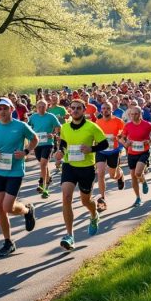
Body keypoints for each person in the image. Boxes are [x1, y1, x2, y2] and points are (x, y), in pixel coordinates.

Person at [0, 97, 38, 257]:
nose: (2, 111)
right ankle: (8, 242)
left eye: (5, 108)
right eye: (0, 109)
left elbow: (35, 139)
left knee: (7, 207)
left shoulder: (20, 126)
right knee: (0, 207)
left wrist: (26, 152)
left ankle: (27, 211)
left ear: (11, 109)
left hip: (15, 172)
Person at [53, 99, 109, 250]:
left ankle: (94, 215)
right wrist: (60, 152)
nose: (75, 110)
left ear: (84, 110)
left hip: (86, 168)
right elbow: (63, 144)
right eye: (73, 108)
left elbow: (105, 144)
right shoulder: (65, 127)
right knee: (66, 197)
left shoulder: (92, 127)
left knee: (86, 201)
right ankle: (70, 236)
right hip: (69, 166)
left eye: (79, 108)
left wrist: (91, 149)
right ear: (70, 110)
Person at [120, 106, 151, 207]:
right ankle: (138, 198)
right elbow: (122, 139)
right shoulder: (128, 126)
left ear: (140, 114)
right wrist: (126, 143)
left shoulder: (147, 125)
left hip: (143, 152)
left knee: (138, 173)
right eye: (131, 114)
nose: (133, 116)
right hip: (131, 153)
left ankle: (144, 181)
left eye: (135, 114)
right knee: (133, 176)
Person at [94, 102, 125, 211]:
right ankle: (102, 199)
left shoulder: (118, 121)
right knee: (100, 172)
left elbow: (124, 134)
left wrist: (118, 137)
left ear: (112, 110)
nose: (106, 110)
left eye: (108, 108)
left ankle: (120, 175)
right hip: (101, 151)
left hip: (113, 151)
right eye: (104, 108)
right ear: (101, 110)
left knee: (113, 176)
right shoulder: (98, 122)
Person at [28, 100, 61, 199]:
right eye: (40, 106)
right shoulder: (33, 117)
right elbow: (28, 127)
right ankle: (48, 178)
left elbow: (58, 127)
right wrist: (31, 136)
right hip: (37, 144)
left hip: (48, 143)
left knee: (43, 164)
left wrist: (53, 134)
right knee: (44, 165)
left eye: (43, 106)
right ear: (36, 107)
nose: (41, 108)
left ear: (47, 107)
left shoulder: (51, 116)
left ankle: (44, 186)